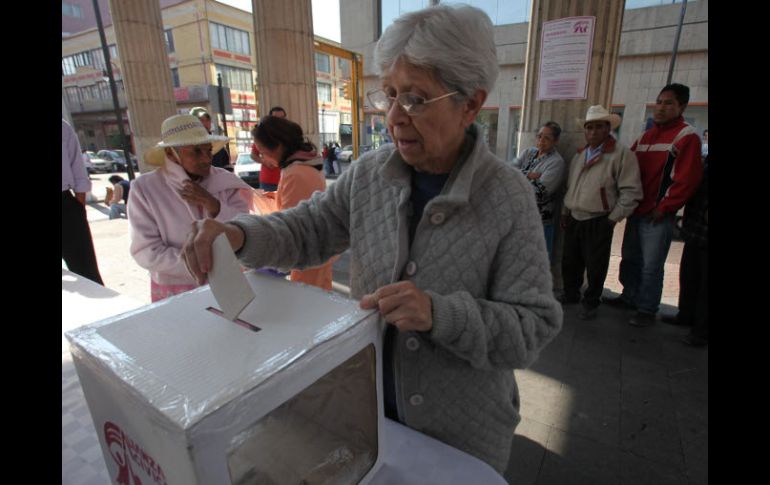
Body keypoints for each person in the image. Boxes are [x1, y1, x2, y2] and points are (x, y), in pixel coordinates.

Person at [181, 4, 562, 475]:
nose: (395, 116)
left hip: (462, 434)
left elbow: (533, 327)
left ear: (470, 104)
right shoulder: (369, 176)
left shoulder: (508, 197)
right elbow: (307, 229)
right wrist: (238, 234)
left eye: (417, 98)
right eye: (390, 94)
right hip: (366, 414)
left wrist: (441, 314)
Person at [605, 84, 703, 327]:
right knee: (630, 258)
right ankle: (629, 297)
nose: (661, 107)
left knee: (651, 266)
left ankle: (647, 309)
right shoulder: (647, 136)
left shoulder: (686, 136)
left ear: (681, 107)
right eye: (659, 102)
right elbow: (628, 166)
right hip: (637, 210)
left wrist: (666, 207)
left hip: (657, 215)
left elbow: (687, 179)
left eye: (668, 103)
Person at [128, 114, 253, 302]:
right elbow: (146, 251)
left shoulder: (226, 181)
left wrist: (214, 205)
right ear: (171, 153)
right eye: (195, 151)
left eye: (208, 151)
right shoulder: (145, 189)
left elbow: (246, 228)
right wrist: (204, 264)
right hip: (175, 287)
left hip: (227, 279)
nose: (206, 159)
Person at [560, 106, 642, 320]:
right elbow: (571, 186)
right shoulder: (580, 154)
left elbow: (631, 191)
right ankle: (571, 293)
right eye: (589, 127)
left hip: (599, 218)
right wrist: (565, 211)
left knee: (595, 265)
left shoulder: (621, 155)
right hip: (575, 215)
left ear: (608, 129)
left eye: (598, 127)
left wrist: (614, 217)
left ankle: (591, 302)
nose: (593, 132)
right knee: (570, 260)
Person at [251, 116, 333, 290]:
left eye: (263, 151)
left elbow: (289, 228)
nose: (263, 158)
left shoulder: (294, 173)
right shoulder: (307, 164)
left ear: (278, 146)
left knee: (307, 302)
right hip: (318, 251)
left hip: (308, 254)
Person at [663, 154, 708, 347]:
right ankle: (686, 315)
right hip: (696, 230)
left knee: (706, 286)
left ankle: (702, 332)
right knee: (690, 275)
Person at [511, 121, 566, 261]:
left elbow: (539, 193)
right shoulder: (529, 152)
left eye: (547, 138)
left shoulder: (556, 162)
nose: (541, 141)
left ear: (556, 140)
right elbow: (508, 173)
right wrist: (529, 175)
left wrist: (518, 177)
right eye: (539, 136)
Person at [62, 119, 104, 285]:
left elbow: (79, 171)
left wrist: (78, 210)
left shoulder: (63, 127)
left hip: (65, 206)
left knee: (87, 274)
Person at [250, 106, 286, 191]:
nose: (279, 121)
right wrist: (264, 161)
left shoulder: (290, 135)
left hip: (287, 179)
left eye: (282, 118)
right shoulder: (264, 135)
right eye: (276, 118)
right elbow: (253, 155)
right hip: (269, 182)